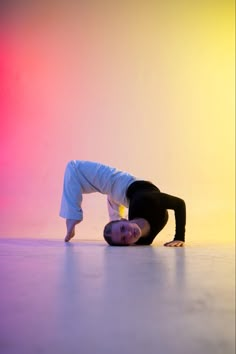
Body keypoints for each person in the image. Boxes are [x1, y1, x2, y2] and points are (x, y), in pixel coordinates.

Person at [59, 160, 186, 247]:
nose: (129, 234)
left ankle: (72, 216)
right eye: (124, 239)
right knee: (113, 203)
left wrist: (179, 237)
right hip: (125, 198)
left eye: (123, 228)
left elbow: (179, 204)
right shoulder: (143, 241)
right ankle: (114, 218)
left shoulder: (148, 201)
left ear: (125, 219)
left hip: (123, 184)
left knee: (74, 168)